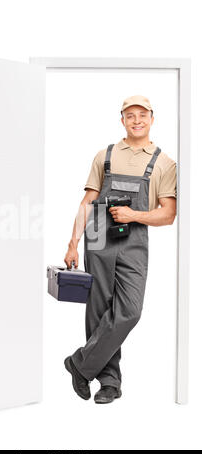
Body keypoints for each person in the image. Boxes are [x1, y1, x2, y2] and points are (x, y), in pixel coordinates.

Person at [63, 95, 177, 404]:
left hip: (134, 239)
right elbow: (88, 202)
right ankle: (110, 382)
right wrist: (72, 242)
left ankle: (81, 364)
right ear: (122, 119)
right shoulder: (105, 155)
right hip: (98, 235)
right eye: (130, 115)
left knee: (129, 310)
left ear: (152, 118)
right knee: (99, 308)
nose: (136, 120)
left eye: (142, 114)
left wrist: (133, 215)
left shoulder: (165, 163)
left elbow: (168, 214)